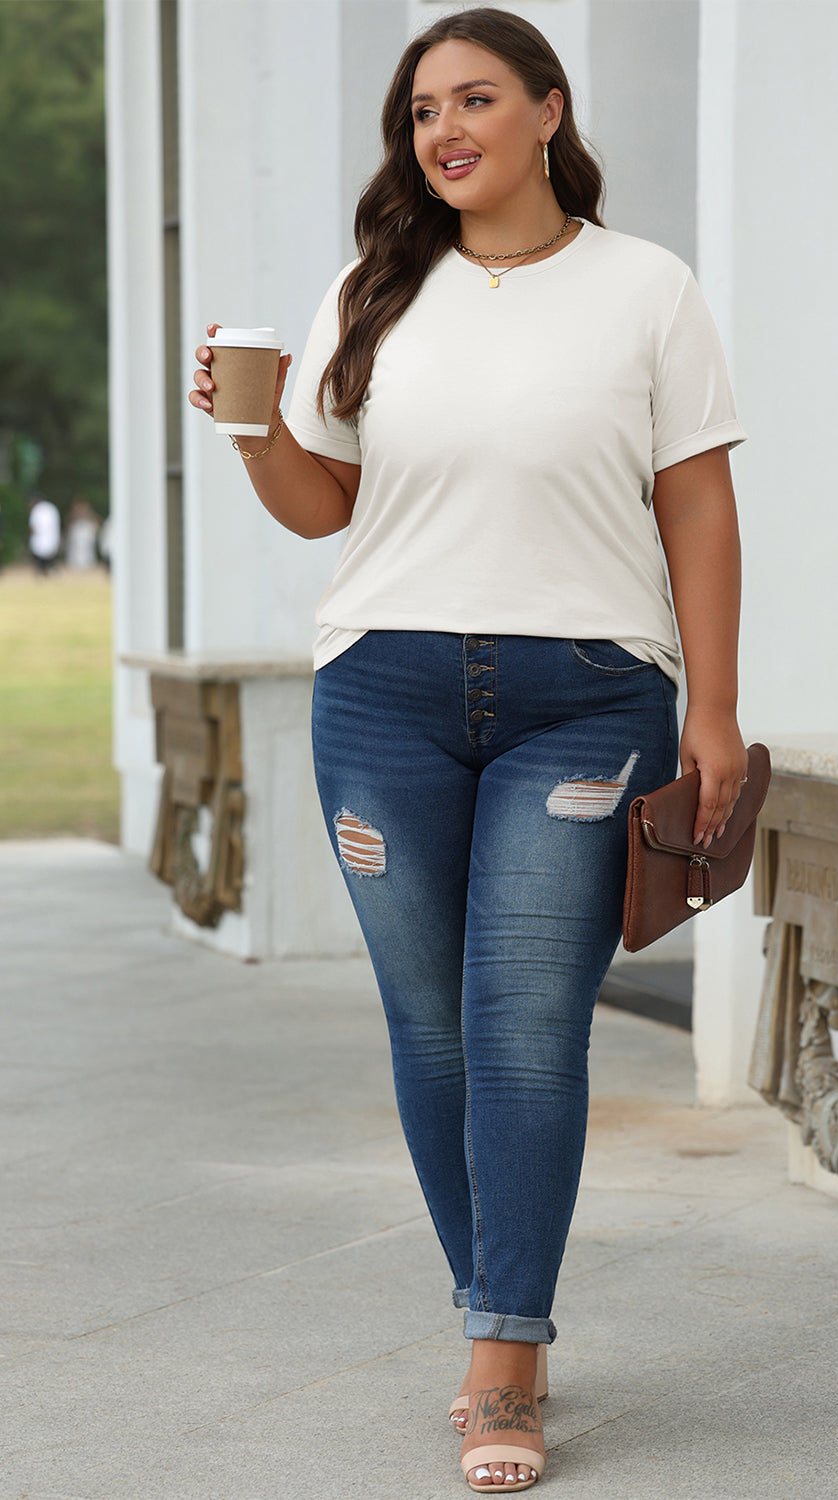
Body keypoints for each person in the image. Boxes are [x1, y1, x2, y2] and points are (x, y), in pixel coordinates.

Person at [190, 8, 747, 1490]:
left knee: (519, 1022)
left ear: (549, 111)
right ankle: (497, 1311)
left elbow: (696, 503)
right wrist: (250, 431)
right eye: (423, 109)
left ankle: (503, 1354)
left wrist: (712, 708)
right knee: (429, 1028)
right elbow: (325, 508)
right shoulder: (375, 288)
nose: (444, 131)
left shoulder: (647, 291)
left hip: (586, 698)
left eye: (477, 99)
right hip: (383, 694)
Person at [27, 493, 61, 575]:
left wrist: (30, 536)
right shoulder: (51, 508)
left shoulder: (37, 509)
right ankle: (49, 571)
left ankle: (44, 571)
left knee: (41, 557)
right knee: (48, 557)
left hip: (39, 538)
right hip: (52, 537)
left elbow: (34, 526)